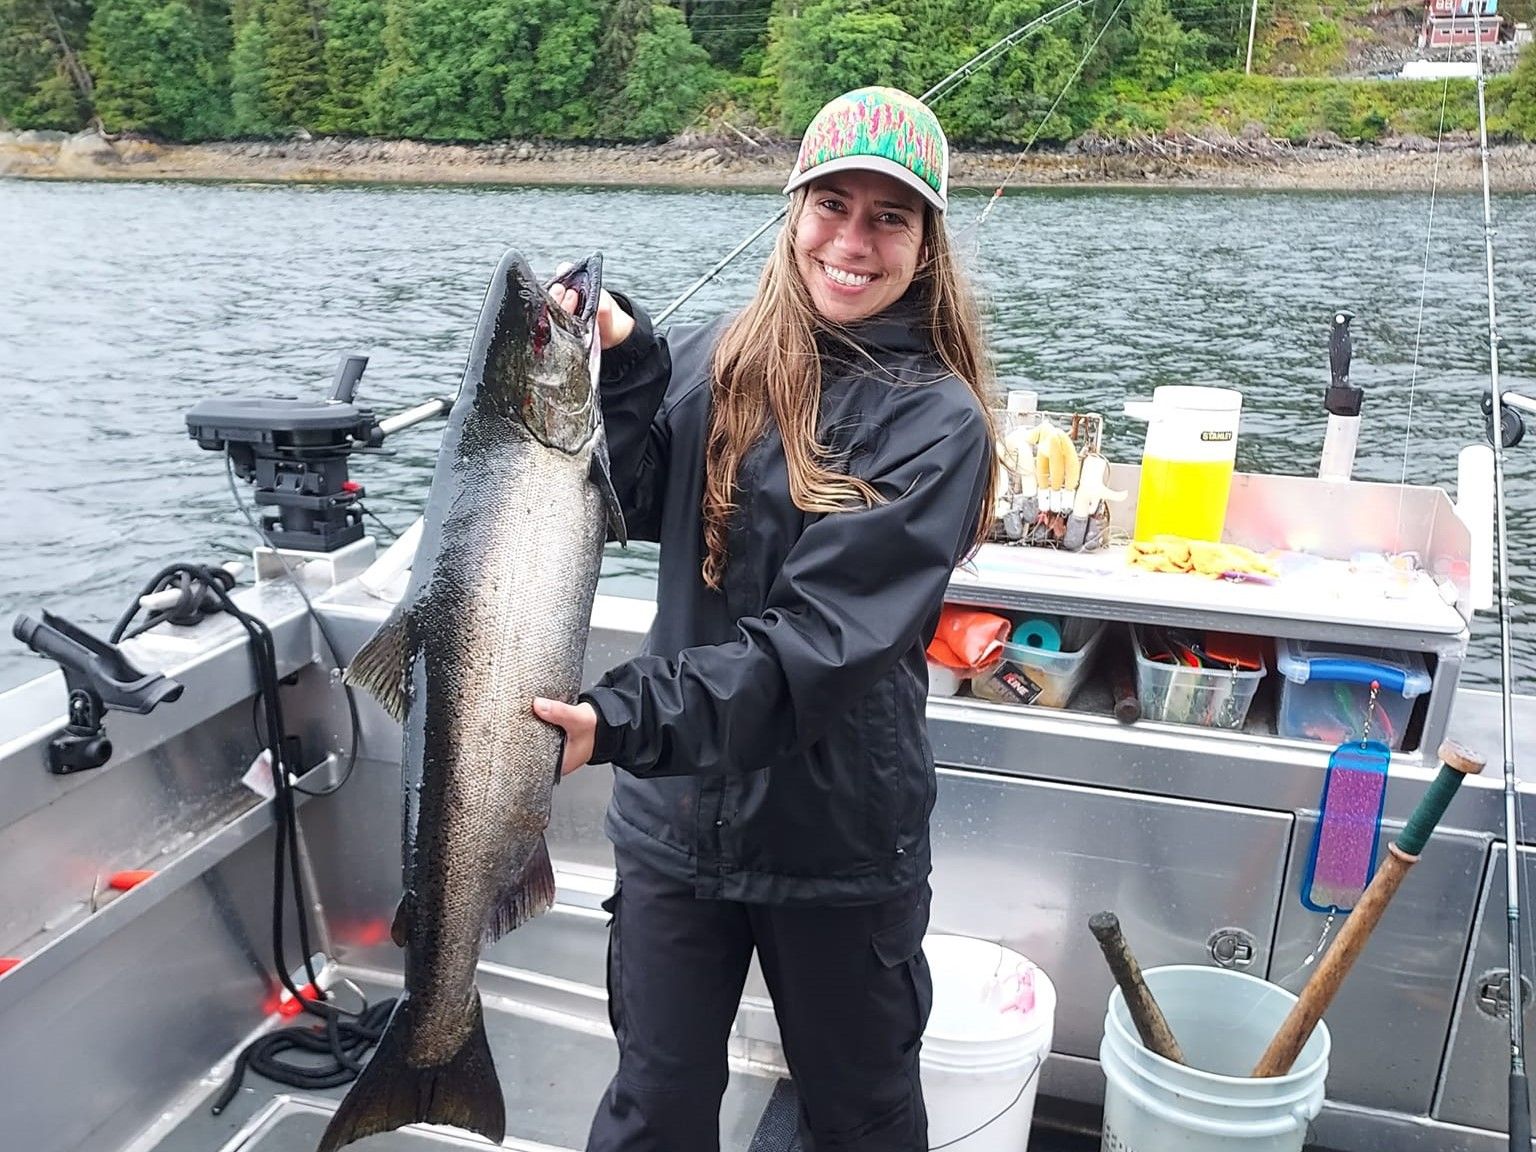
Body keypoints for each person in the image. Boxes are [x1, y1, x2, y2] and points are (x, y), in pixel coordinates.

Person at [533, 85, 1000, 1152]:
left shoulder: (938, 422)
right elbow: (637, 500)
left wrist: (615, 724)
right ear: (791, 211)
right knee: (652, 1107)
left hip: (835, 842)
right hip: (678, 828)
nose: (852, 240)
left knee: (861, 1115)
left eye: (889, 217)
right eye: (830, 204)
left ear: (927, 244)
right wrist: (630, 358)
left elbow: (816, 647)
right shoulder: (714, 356)